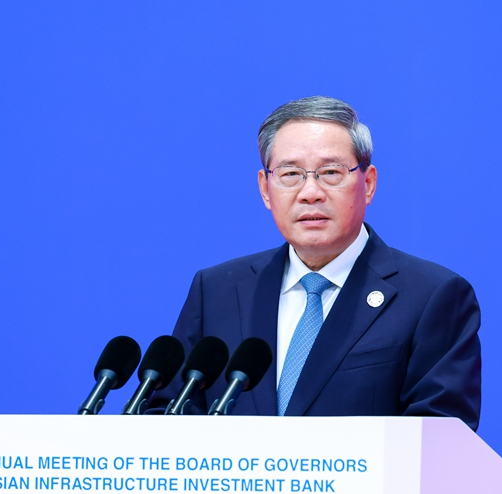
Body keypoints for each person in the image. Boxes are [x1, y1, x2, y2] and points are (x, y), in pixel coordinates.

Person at [150, 96, 481, 429]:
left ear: (368, 184)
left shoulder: (431, 296)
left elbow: (440, 437)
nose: (310, 192)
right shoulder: (216, 291)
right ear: (265, 188)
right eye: (291, 174)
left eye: (330, 173)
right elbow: (168, 417)